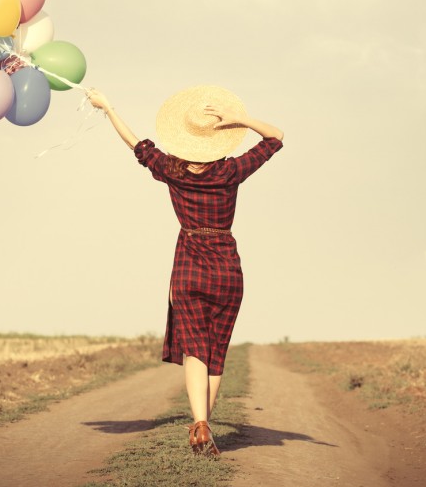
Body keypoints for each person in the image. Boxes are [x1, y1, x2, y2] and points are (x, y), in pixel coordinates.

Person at [87, 85, 283, 456]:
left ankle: (200, 424)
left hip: (189, 266)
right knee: (217, 350)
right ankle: (204, 426)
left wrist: (108, 107)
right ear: (218, 140)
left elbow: (137, 145)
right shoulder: (231, 171)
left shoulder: (172, 170)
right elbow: (276, 137)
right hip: (227, 268)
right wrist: (239, 119)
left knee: (196, 348)